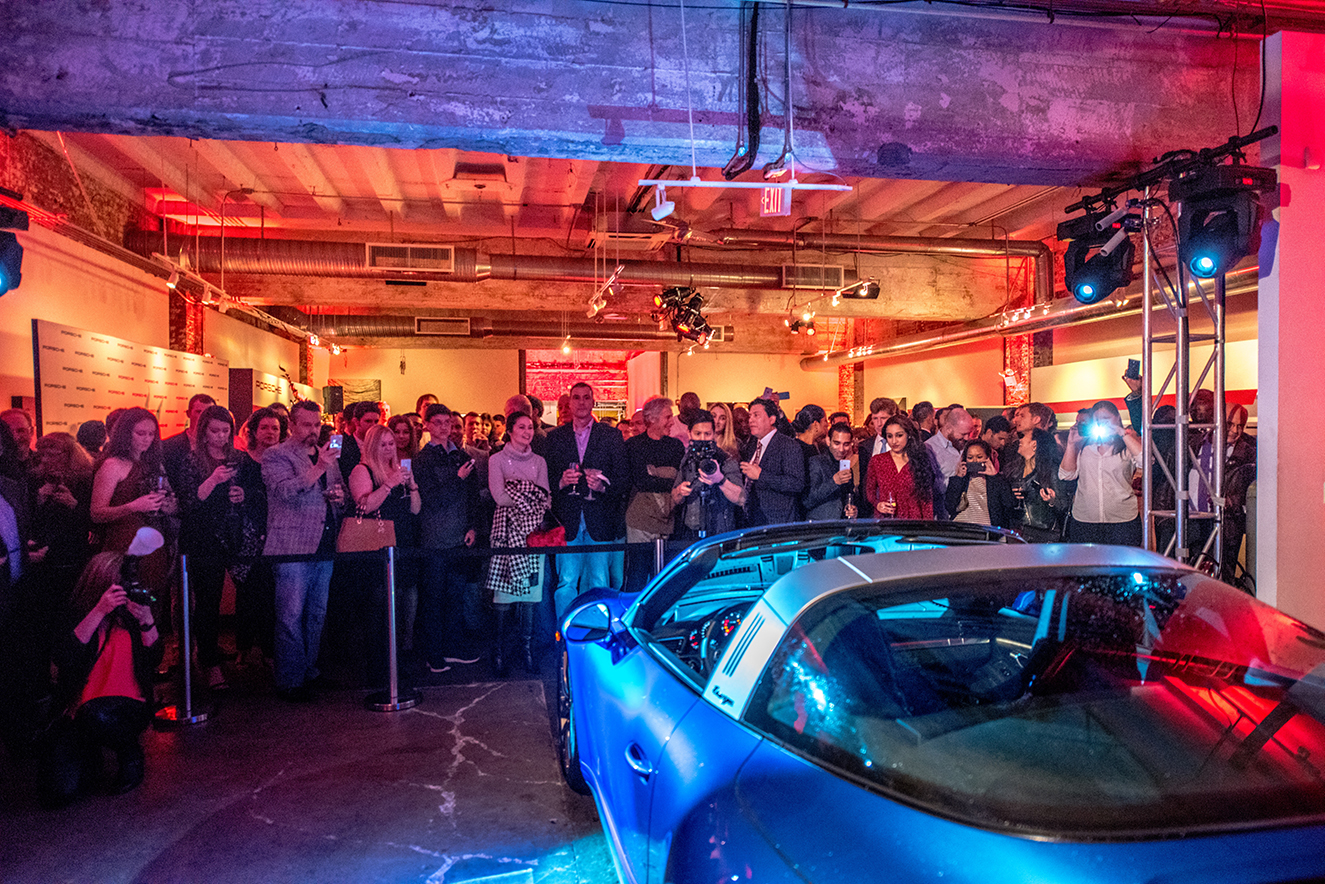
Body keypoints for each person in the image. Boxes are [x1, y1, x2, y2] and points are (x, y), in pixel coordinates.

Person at [40, 551, 162, 806]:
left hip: (129, 703)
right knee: (58, 794)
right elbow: (64, 656)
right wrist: (99, 611)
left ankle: (130, 752)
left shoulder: (131, 613)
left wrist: (148, 621)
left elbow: (154, 659)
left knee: (94, 715)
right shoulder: (75, 612)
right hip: (79, 707)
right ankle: (90, 754)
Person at [261, 400, 344, 702]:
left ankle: (309, 670)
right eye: (307, 425)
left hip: (324, 544)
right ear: (292, 425)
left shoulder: (326, 456)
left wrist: (337, 495)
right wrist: (319, 467)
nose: (313, 430)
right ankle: (289, 680)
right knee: (290, 615)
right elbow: (284, 491)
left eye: (317, 425)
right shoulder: (275, 455)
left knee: (317, 613)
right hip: (291, 546)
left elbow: (339, 491)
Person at [177, 405, 252, 691]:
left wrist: (241, 493)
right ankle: (208, 662)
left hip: (232, 533)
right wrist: (212, 480)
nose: (220, 436)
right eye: (215, 431)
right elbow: (187, 502)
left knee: (246, 591)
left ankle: (245, 649)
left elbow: (252, 492)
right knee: (207, 601)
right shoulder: (192, 459)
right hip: (202, 536)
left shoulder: (238, 458)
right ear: (203, 431)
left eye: (225, 431)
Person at [545, 382, 628, 617]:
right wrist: (561, 482)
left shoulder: (611, 435)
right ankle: (565, 632)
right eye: (576, 398)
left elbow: (623, 478)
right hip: (567, 520)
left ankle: (597, 632)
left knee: (599, 582)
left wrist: (602, 486)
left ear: (593, 402)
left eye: (586, 398)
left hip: (601, 519)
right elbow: (546, 479)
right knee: (566, 582)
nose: (581, 402)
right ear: (569, 403)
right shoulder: (555, 437)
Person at [348, 424, 421, 689]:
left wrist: (412, 486)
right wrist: (389, 483)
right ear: (371, 445)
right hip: (376, 547)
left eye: (392, 443)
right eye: (384, 444)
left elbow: (415, 511)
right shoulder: (362, 470)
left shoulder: (398, 470)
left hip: (401, 543)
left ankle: (397, 664)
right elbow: (364, 505)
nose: (390, 448)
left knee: (399, 608)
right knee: (377, 611)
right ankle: (377, 668)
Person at [415, 405, 480, 673]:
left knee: (456, 596)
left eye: (448, 422)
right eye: (438, 422)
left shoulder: (461, 456)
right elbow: (431, 499)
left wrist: (474, 526)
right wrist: (456, 478)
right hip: (433, 537)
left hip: (459, 535)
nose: (444, 427)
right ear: (427, 425)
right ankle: (433, 652)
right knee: (433, 598)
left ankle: (453, 647)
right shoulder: (422, 460)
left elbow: (474, 497)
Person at [485, 413, 550, 675]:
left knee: (531, 595)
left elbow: (545, 498)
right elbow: (499, 496)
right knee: (503, 593)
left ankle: (527, 649)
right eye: (521, 427)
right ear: (509, 431)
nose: (527, 431)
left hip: (533, 532)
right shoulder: (496, 459)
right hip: (506, 532)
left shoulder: (540, 461)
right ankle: (499, 651)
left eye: (530, 427)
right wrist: (529, 494)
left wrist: (520, 491)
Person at [90, 407, 176, 603]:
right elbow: (96, 513)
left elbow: (172, 505)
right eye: (140, 433)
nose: (147, 439)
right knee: (126, 605)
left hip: (154, 543)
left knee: (152, 602)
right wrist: (134, 506)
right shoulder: (112, 465)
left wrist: (168, 504)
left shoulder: (152, 463)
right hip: (124, 545)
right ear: (125, 433)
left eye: (151, 434)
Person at [233, 407, 283, 667]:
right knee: (247, 592)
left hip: (278, 530)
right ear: (253, 431)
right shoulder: (243, 461)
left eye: (275, 428)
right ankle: (242, 647)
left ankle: (269, 649)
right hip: (249, 534)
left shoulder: (285, 461)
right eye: (265, 427)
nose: (270, 432)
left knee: (272, 593)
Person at [1059, 400, 1143, 545]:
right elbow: (1066, 475)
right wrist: (1071, 444)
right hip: (1085, 520)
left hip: (1122, 520)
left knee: (1121, 565)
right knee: (1089, 565)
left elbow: (1146, 462)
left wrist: (1121, 432)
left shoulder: (1126, 443)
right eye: (1097, 420)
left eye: (1106, 419)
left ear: (1117, 418)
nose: (1102, 424)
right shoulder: (1084, 445)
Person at [623, 396, 684, 591]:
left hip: (668, 519)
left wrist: (655, 472)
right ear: (652, 419)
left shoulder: (675, 446)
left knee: (664, 577)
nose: (672, 421)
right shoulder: (634, 445)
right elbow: (641, 481)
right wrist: (667, 474)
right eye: (667, 417)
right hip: (640, 520)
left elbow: (678, 478)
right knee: (638, 574)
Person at [671, 410, 746, 541]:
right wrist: (680, 491)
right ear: (689, 433)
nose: (702, 439)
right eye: (697, 434)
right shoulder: (686, 459)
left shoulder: (726, 459)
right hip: (690, 531)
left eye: (707, 434)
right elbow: (674, 498)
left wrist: (720, 480)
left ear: (714, 434)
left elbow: (741, 499)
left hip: (720, 531)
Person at [740, 397, 805, 526]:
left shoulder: (787, 445)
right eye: (750, 415)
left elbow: (796, 484)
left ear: (772, 419)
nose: (751, 420)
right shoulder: (752, 444)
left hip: (777, 522)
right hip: (753, 519)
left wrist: (761, 476)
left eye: (756, 415)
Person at [865, 414, 936, 520]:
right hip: (886, 521)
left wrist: (928, 527)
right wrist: (878, 504)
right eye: (890, 436)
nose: (894, 441)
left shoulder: (918, 460)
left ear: (908, 435)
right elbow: (869, 490)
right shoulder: (878, 461)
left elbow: (926, 500)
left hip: (913, 523)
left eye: (899, 435)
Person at [1008, 428, 1068, 542]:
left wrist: (1052, 501)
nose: (1019, 440)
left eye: (1024, 437)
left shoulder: (1051, 471)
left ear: (1034, 444)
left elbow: (1063, 504)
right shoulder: (1013, 470)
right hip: (1018, 533)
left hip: (1044, 535)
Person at [944, 440, 1015, 528]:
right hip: (962, 526)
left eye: (979, 457)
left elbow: (1008, 506)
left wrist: (995, 477)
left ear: (987, 457)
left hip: (986, 529)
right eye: (970, 457)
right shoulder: (961, 479)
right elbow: (949, 506)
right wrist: (958, 478)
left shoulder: (998, 480)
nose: (975, 461)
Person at [161, 393, 216, 495]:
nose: (203, 417)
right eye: (198, 412)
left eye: (208, 413)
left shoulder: (220, 448)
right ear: (188, 414)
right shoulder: (168, 446)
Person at [804, 422, 859, 521]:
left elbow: (849, 496)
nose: (841, 449)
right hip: (820, 527)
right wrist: (834, 482)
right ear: (828, 441)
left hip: (841, 527)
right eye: (837, 443)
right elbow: (808, 500)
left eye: (846, 444)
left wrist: (852, 508)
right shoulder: (816, 462)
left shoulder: (846, 466)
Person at [924, 405, 973, 501]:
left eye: (969, 433)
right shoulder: (930, 449)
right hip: (945, 511)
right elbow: (931, 487)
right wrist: (957, 479)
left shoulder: (969, 445)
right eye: (963, 434)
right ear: (949, 428)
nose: (967, 438)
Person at [857, 397, 898, 504]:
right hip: (873, 509)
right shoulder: (865, 447)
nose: (879, 423)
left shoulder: (904, 445)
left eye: (883, 418)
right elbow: (864, 483)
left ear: (893, 418)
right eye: (875, 418)